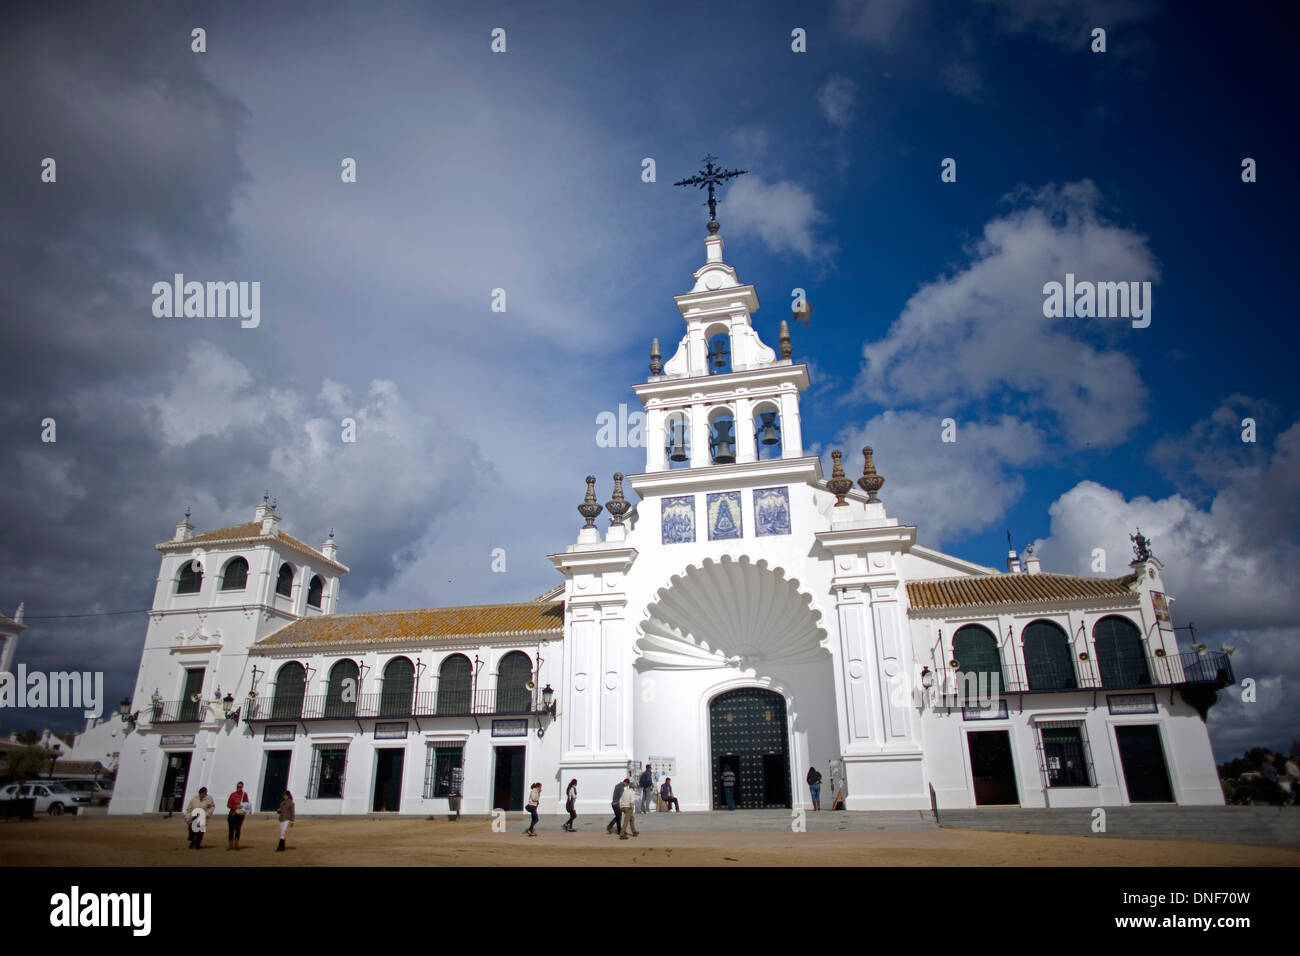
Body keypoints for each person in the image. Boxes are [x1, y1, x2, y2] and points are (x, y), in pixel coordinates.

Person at [226, 780, 251, 850]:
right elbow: (228, 804)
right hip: (232, 814)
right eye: (238, 787)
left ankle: (236, 844)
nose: (239, 788)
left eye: (240, 787)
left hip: (240, 815)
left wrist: (241, 806)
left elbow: (246, 804)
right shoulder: (232, 794)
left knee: (238, 829)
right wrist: (235, 807)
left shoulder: (244, 794)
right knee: (231, 829)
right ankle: (230, 845)